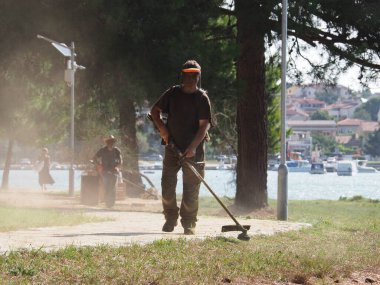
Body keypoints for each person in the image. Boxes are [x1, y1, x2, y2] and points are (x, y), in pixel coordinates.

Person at [150, 60, 212, 235]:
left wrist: (192, 147)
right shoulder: (172, 94)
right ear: (182, 75)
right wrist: (162, 129)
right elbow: (155, 111)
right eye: (187, 75)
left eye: (194, 75)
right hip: (171, 148)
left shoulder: (202, 98)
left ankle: (189, 222)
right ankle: (170, 218)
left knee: (191, 191)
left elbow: (203, 127)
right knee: (167, 187)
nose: (190, 78)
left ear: (198, 77)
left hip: (194, 152)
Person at [93, 135, 123, 208]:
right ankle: (107, 203)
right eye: (109, 141)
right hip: (105, 172)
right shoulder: (102, 150)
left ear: (114, 142)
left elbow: (121, 160)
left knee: (112, 187)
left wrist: (117, 167)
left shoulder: (117, 150)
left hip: (114, 172)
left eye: (112, 141)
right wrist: (99, 165)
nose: (111, 143)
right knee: (107, 187)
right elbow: (94, 158)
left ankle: (111, 204)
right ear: (107, 142)